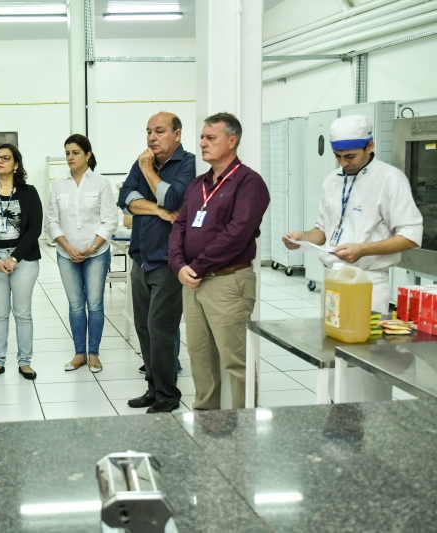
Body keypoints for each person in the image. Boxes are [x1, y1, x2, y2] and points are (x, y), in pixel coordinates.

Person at [169, 112, 270, 410]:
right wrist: (178, 266)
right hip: (192, 284)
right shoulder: (198, 184)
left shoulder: (248, 183)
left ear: (232, 140)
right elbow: (179, 226)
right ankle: (206, 421)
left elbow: (237, 234)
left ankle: (244, 425)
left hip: (228, 283)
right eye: (201, 137)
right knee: (200, 359)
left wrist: (196, 266)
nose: (202, 143)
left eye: (210, 138)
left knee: (235, 361)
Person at [283, 114, 423, 313]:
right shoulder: (332, 180)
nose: (343, 163)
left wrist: (363, 249)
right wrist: (302, 237)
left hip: (367, 282)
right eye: (337, 156)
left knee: (362, 343)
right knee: (329, 341)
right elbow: (323, 231)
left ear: (370, 146)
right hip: (332, 280)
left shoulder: (390, 180)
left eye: (350, 156)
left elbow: (411, 236)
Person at [117, 112, 196, 414]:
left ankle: (168, 394)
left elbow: (174, 198)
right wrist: (159, 210)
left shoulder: (186, 163)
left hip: (168, 261)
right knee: (143, 328)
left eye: (159, 131)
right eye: (149, 131)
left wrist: (149, 173)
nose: (151, 137)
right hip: (141, 258)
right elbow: (125, 199)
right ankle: (152, 387)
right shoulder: (142, 162)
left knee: (160, 328)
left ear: (177, 134)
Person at [44, 134, 117, 373]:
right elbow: (51, 222)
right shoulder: (58, 184)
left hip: (96, 252)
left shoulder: (100, 183)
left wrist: (92, 247)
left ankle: (93, 353)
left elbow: (110, 221)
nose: (70, 157)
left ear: (88, 155)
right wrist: (67, 247)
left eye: (75, 152)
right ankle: (79, 354)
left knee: (94, 304)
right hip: (68, 254)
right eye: (67, 153)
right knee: (76, 305)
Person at [0, 144, 42, 381]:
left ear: (16, 165)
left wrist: (13, 258)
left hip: (24, 260)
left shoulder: (29, 192)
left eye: (6, 157)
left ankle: (25, 362)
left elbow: (35, 228)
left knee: (23, 313)